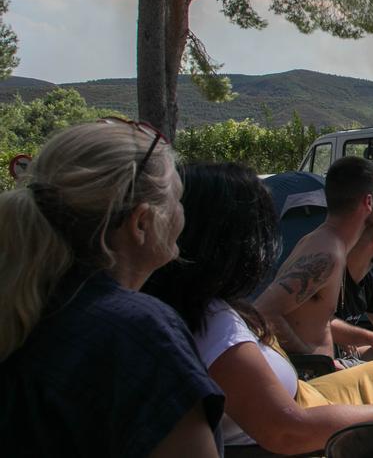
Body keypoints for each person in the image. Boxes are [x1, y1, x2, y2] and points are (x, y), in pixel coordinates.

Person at [0, 120, 223, 457]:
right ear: (141, 223)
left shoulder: (26, 301)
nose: (182, 211)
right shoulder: (137, 334)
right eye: (177, 199)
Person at [143, 163, 373, 455]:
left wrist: (370, 339)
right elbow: (287, 431)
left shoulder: (199, 304)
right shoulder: (214, 327)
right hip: (306, 407)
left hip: (307, 393)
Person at [254, 156, 373, 363]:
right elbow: (264, 311)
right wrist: (312, 362)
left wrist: (371, 337)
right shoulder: (326, 254)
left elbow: (313, 318)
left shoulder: (323, 242)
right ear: (368, 202)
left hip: (326, 368)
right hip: (314, 379)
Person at [331, 215, 373, 367]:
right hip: (324, 363)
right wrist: (367, 338)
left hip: (347, 358)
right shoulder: (332, 276)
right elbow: (320, 323)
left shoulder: (368, 282)